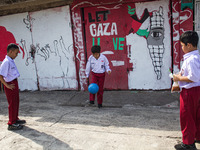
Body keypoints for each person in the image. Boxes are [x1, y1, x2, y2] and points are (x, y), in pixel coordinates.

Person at [173, 31, 200, 150]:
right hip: (196, 91)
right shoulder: (196, 57)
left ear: (189, 45)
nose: (182, 48)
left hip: (190, 92)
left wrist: (178, 78)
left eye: (183, 45)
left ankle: (188, 144)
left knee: (187, 117)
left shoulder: (191, 59)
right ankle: (197, 136)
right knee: (196, 116)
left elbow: (194, 77)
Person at [0, 43, 26, 130]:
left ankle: (15, 119)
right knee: (12, 104)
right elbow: (0, 76)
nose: (16, 55)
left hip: (14, 83)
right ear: (10, 51)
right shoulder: (6, 62)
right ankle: (11, 123)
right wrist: (6, 85)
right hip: (10, 85)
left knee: (16, 102)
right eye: (16, 53)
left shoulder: (11, 60)